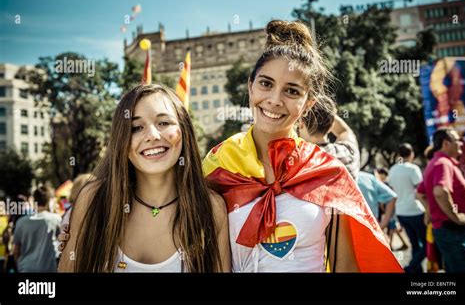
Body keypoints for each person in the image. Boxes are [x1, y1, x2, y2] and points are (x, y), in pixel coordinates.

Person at [203, 20, 402, 272]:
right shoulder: (217, 164)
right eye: (266, 83)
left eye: (292, 91)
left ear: (308, 103)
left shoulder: (328, 172)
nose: (274, 100)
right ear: (250, 86)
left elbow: (346, 266)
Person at [58, 84, 230, 272]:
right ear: (121, 139)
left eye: (164, 123)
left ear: (185, 130)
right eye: (136, 127)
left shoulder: (211, 208)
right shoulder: (94, 199)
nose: (152, 136)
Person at [417, 127, 465, 272]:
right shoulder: (443, 163)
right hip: (453, 231)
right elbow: (440, 192)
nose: (461, 143)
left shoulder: (437, 162)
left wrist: (430, 211)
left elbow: (421, 193)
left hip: (450, 231)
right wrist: (456, 217)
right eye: (457, 140)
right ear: (446, 143)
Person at [297, 95, 360, 181]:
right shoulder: (349, 153)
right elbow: (344, 131)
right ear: (331, 126)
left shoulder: (296, 161)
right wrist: (328, 113)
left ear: (301, 123)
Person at [388, 143, 426, 273]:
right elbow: (421, 191)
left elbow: (392, 191)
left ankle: (416, 270)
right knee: (428, 244)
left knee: (414, 244)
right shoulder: (413, 168)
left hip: (401, 212)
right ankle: (411, 267)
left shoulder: (392, 170)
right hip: (416, 210)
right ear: (412, 154)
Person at [12, 186, 61, 272]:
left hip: (26, 268)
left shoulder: (21, 222)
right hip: (48, 268)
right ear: (49, 201)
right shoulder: (56, 219)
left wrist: (20, 266)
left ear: (34, 201)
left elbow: (16, 250)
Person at [374, 168, 409, 252]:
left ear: (384, 175)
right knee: (393, 227)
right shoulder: (385, 184)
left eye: (380, 174)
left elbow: (388, 197)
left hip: (389, 209)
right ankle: (397, 244)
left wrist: (383, 207)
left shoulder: (385, 184)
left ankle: (391, 245)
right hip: (389, 209)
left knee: (392, 227)